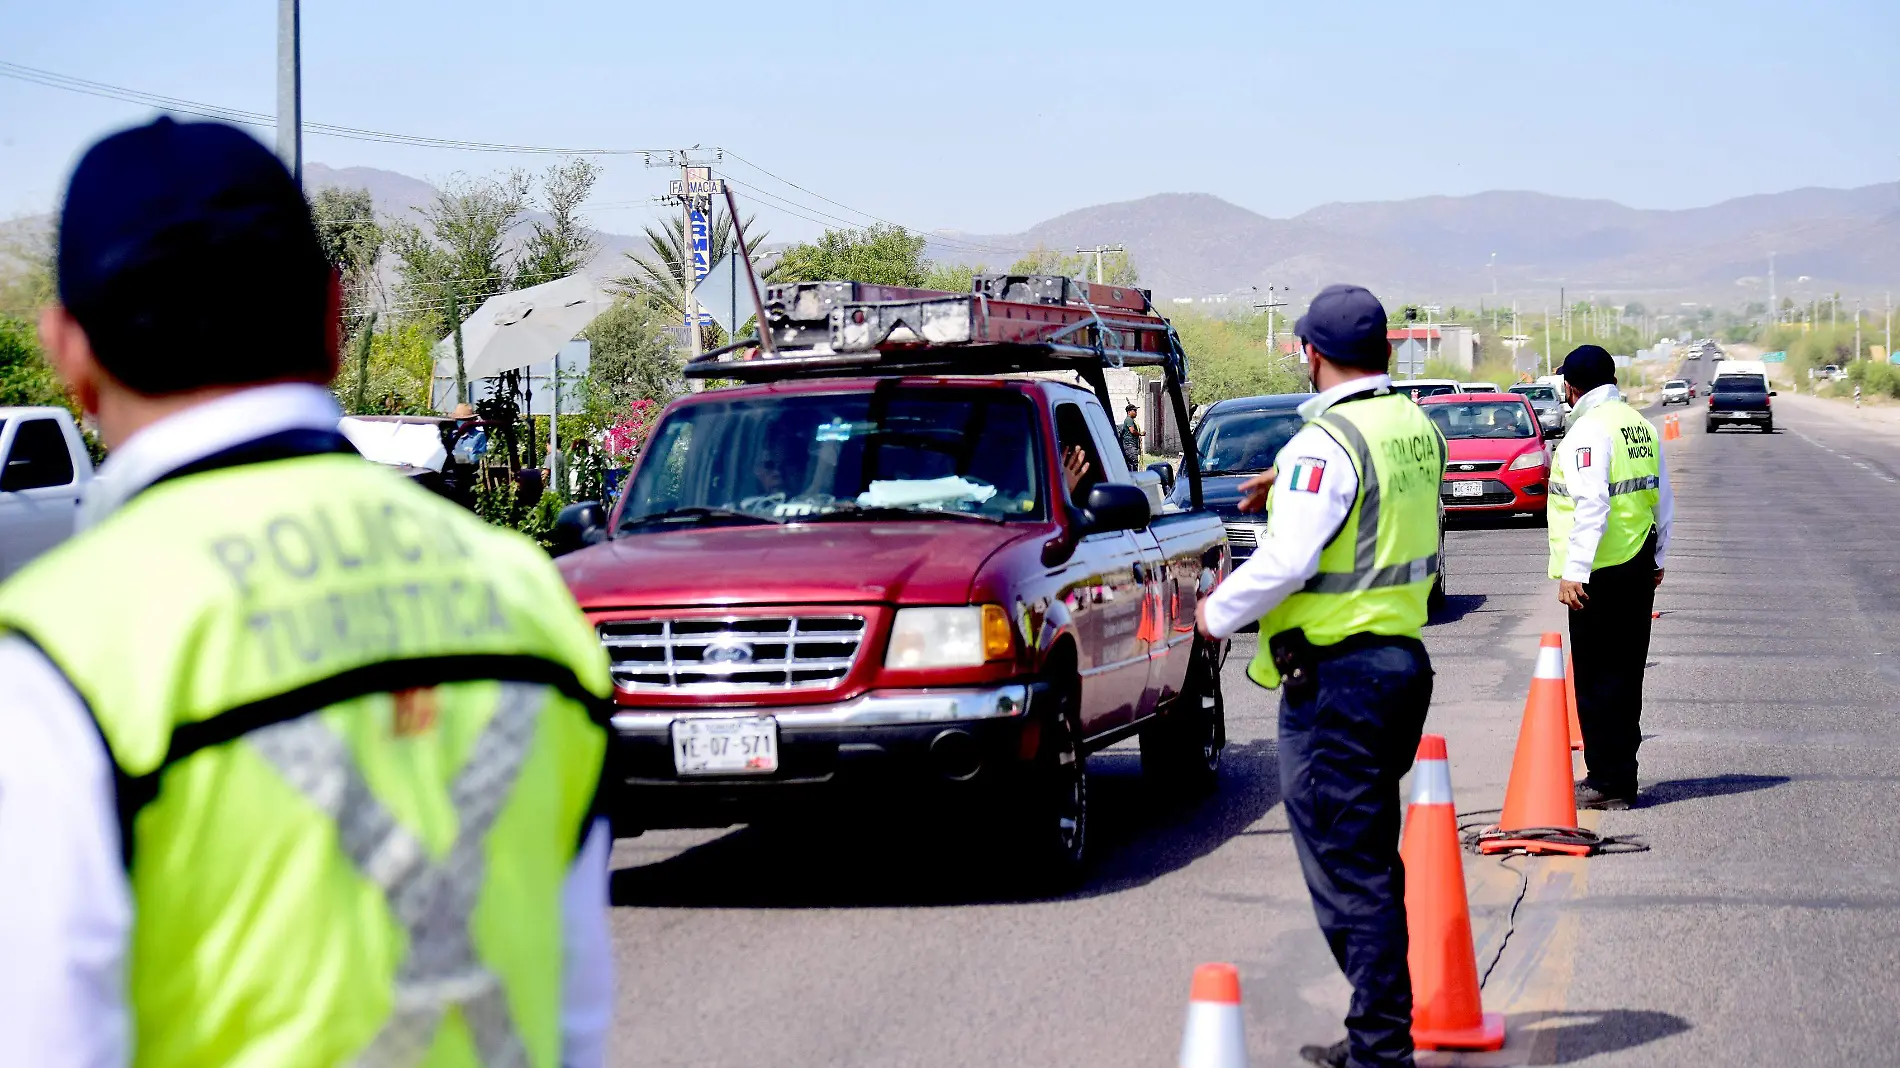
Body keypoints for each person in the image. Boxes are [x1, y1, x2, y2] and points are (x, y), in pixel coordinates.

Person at [0, 118, 616, 1067]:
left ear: (67, 350)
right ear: (333, 317)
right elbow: (574, 1016)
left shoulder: (64, 657)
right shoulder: (527, 601)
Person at [1196, 284, 1445, 1068]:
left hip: (1339, 679)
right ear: (1389, 351)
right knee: (1365, 861)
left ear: (1310, 352)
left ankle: (1381, 1048)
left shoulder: (1324, 444)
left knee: (1350, 873)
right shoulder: (1412, 425)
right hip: (1399, 663)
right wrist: (1289, 482)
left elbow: (1288, 560)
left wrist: (1210, 615)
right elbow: (1366, 503)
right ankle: (1377, 1031)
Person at [1549, 344, 1673, 810]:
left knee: (1598, 678)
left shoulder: (1588, 431)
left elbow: (1591, 504)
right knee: (1626, 675)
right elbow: (1663, 498)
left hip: (1600, 570)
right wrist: (1659, 556)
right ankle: (1622, 775)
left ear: (1571, 386)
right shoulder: (1639, 425)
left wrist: (1573, 571)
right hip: (1638, 561)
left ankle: (1606, 780)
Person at [1118, 401, 1145, 470]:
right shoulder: (1129, 419)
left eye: (1136, 410)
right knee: (1134, 464)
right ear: (1129, 412)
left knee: (1131, 465)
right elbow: (1132, 431)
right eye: (1134, 410)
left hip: (1130, 446)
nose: (1136, 412)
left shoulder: (1130, 420)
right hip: (1130, 446)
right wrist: (1140, 434)